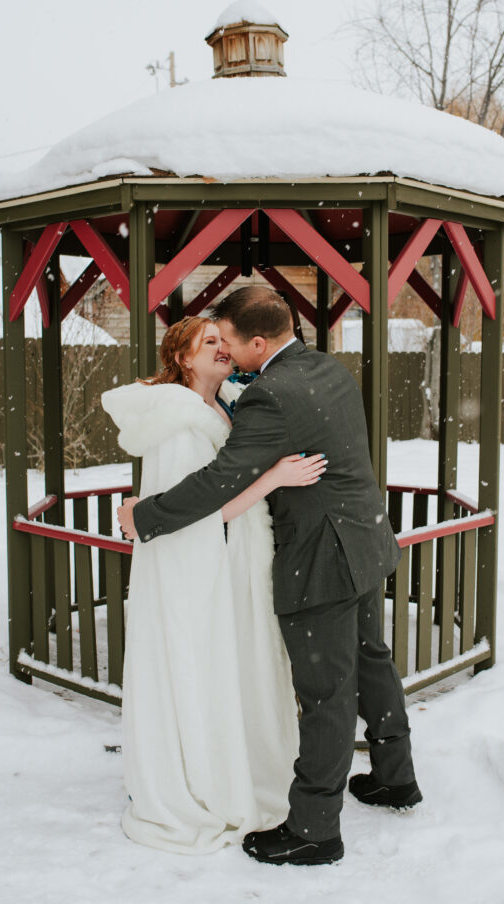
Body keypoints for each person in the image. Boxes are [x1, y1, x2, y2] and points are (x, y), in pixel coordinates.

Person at [118, 287, 421, 866]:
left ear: (258, 342)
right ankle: (395, 777)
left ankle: (313, 831)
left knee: (326, 692)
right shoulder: (325, 369)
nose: (226, 351)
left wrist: (144, 516)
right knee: (372, 662)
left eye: (229, 340)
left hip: (323, 556)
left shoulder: (271, 397)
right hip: (364, 540)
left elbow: (218, 482)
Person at [102, 315, 327, 854]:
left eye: (224, 341)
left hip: (228, 557)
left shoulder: (223, 405)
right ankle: (202, 779)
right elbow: (203, 510)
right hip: (191, 563)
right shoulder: (179, 420)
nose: (223, 349)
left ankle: (238, 763)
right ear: (183, 357)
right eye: (210, 343)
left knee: (235, 661)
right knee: (201, 662)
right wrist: (275, 477)